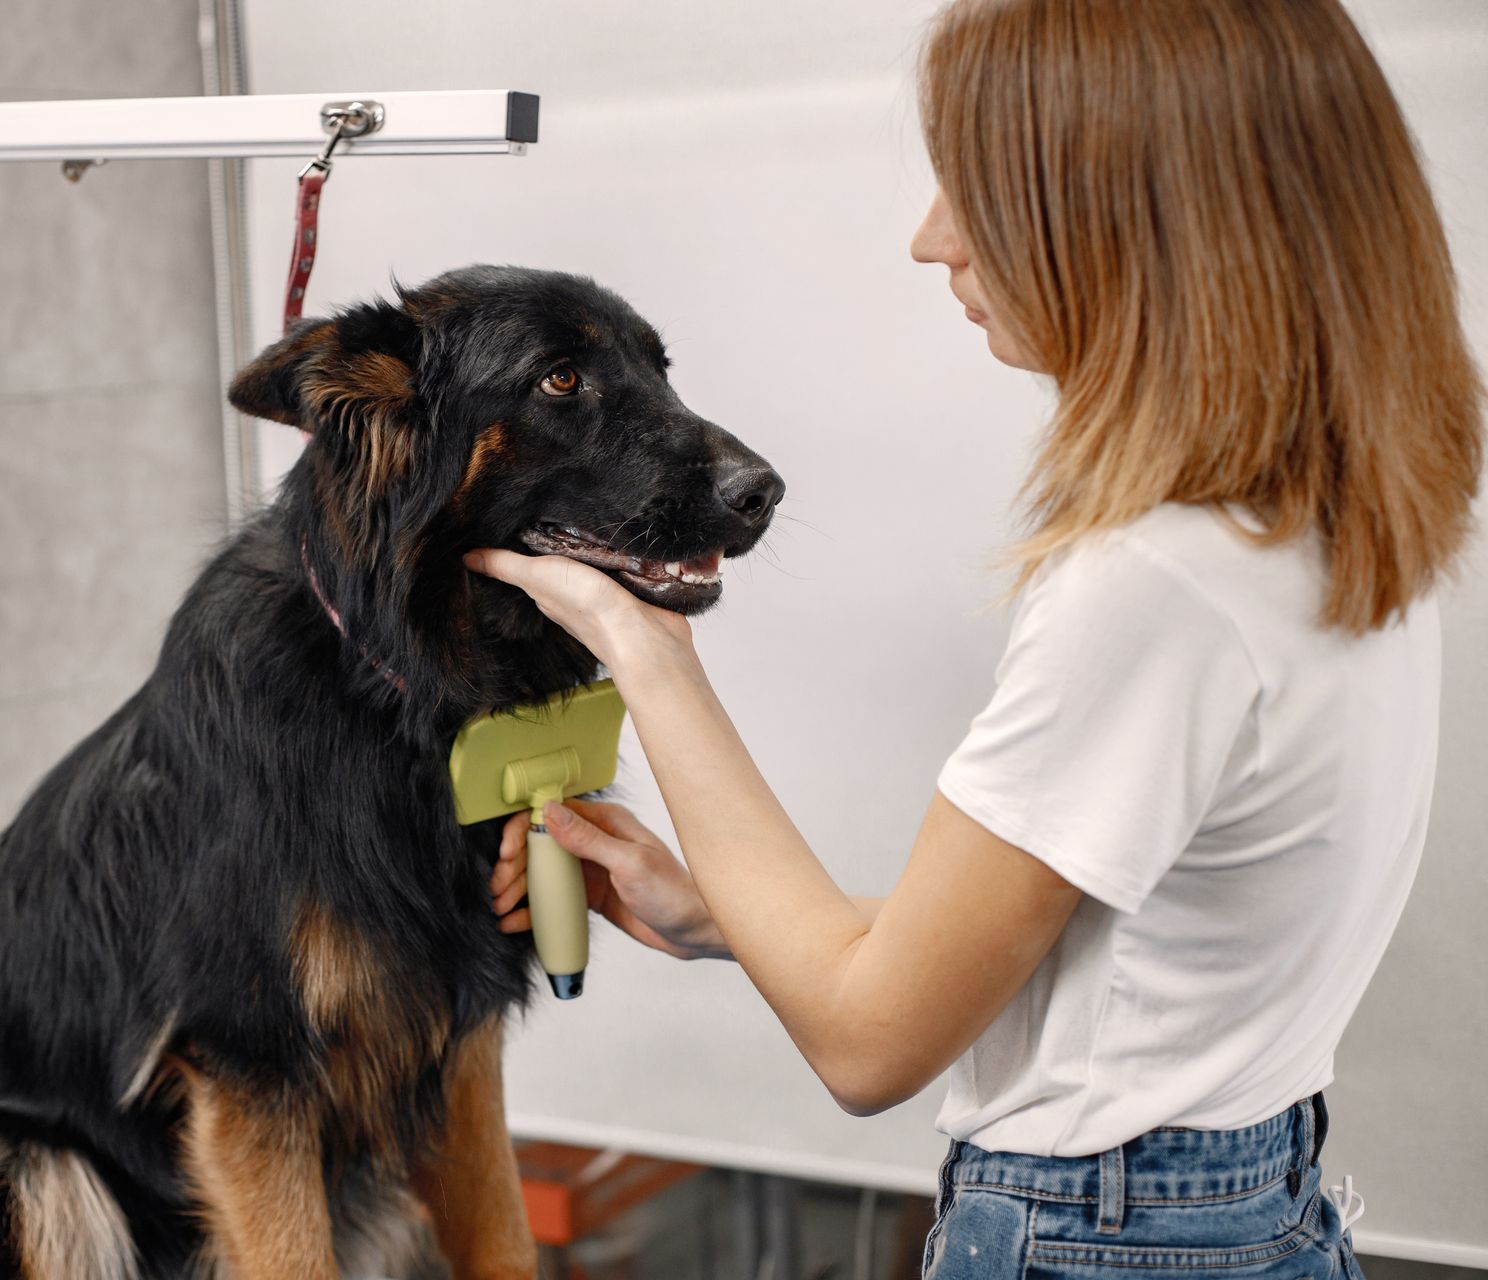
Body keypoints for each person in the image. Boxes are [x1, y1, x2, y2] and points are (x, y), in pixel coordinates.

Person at [463, 0, 1483, 1275]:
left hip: (1102, 1238)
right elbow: (1145, 939)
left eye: (977, 188)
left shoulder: (1154, 584)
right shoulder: (1328, 518)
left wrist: (646, 641)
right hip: (1254, 1208)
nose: (929, 238)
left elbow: (866, 1043)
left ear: (1124, 211)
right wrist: (724, 907)